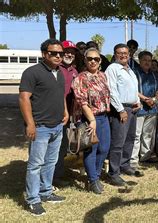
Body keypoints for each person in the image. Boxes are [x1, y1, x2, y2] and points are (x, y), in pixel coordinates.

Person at [19, 38, 68, 216]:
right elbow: (24, 98)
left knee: (50, 162)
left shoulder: (59, 72)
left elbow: (60, 94)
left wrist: (65, 111)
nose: (57, 56)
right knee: (35, 164)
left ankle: (46, 192)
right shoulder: (32, 72)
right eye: (53, 53)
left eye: (60, 54)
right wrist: (30, 124)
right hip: (40, 127)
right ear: (44, 54)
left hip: (57, 126)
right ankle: (33, 199)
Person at [72, 47, 111, 194]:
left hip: (103, 116)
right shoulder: (81, 78)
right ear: (85, 60)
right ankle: (93, 180)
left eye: (96, 59)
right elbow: (82, 102)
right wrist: (92, 120)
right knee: (91, 149)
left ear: (100, 60)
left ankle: (95, 175)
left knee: (104, 148)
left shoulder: (103, 76)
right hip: (89, 118)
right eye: (90, 59)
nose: (93, 61)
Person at [106, 43, 143, 186]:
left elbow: (134, 89)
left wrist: (138, 101)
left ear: (129, 55)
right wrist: (120, 110)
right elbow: (112, 90)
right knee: (118, 142)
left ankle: (125, 165)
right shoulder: (113, 69)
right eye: (120, 53)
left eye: (125, 53)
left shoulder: (130, 70)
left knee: (130, 139)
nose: (123, 55)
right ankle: (114, 173)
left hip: (132, 109)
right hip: (120, 109)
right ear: (115, 54)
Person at [53, 40, 79, 187]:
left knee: (62, 146)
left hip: (68, 115)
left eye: (72, 52)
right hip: (55, 113)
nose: (70, 54)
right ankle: (51, 178)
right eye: (67, 51)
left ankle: (58, 175)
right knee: (54, 147)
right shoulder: (56, 69)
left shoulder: (74, 71)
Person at [131, 51, 158, 166]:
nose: (147, 62)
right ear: (139, 60)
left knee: (148, 134)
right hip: (139, 109)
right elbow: (133, 90)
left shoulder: (154, 74)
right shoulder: (134, 73)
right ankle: (133, 160)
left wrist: (154, 99)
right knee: (136, 135)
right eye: (145, 60)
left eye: (149, 60)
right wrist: (145, 99)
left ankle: (145, 157)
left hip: (152, 108)